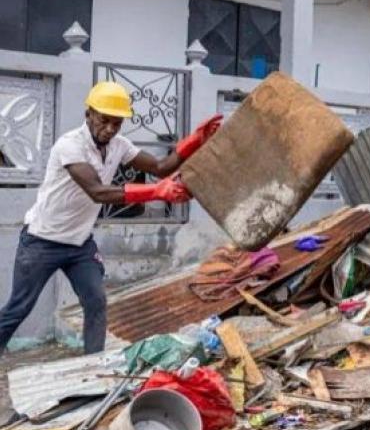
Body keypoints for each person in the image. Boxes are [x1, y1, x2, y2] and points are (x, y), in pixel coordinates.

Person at [0, 81, 222, 356]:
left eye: (116, 124)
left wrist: (195, 140)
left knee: (96, 302)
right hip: (42, 242)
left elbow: (160, 167)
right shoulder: (69, 146)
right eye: (104, 121)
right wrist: (156, 192)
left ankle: (93, 365)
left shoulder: (119, 145)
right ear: (89, 114)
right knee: (19, 307)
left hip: (79, 244)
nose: (109, 129)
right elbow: (97, 192)